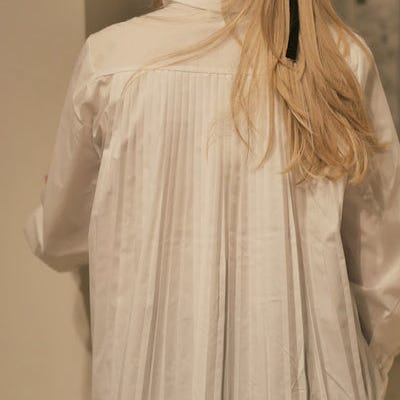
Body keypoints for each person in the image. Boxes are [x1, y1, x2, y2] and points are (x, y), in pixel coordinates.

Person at [23, 0, 400, 399]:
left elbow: (58, 237)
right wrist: (365, 369)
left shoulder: (110, 62)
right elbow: (386, 282)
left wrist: (54, 201)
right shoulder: (340, 57)